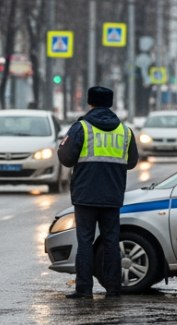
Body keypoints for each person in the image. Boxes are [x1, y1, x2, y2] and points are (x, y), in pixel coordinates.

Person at [56, 86, 140, 299]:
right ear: (110, 103)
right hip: (112, 195)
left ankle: (84, 289)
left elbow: (65, 158)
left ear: (90, 103)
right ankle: (113, 289)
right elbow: (131, 162)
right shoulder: (125, 130)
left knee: (84, 242)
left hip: (85, 195)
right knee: (112, 242)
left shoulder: (81, 128)